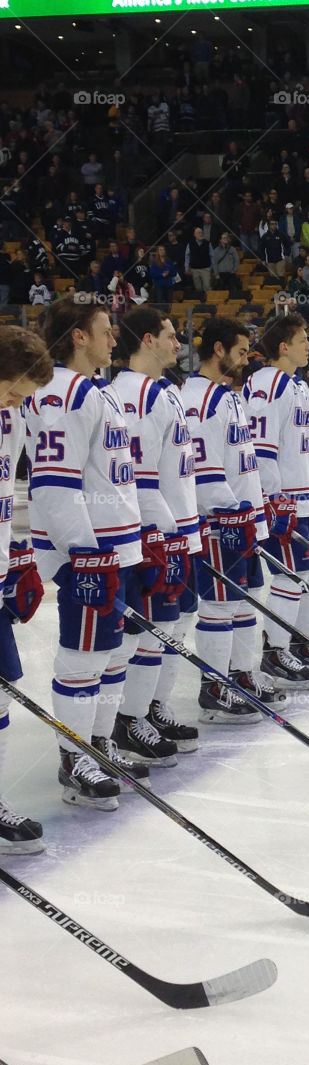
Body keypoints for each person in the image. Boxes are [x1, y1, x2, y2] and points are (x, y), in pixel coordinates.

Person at [25, 300, 144, 809]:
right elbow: (54, 483)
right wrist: (81, 555)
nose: (114, 340)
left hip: (119, 542)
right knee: (83, 654)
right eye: (105, 331)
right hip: (92, 548)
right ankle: (74, 757)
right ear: (77, 336)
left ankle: (98, 743)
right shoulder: (59, 392)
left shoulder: (96, 391)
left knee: (114, 653)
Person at [111, 306, 200, 762]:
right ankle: (129, 719)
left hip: (176, 526)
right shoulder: (139, 395)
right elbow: (140, 478)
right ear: (147, 339)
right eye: (170, 335)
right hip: (158, 532)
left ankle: (147, 708)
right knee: (148, 630)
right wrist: (163, 535)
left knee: (171, 624)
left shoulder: (160, 392)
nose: (177, 344)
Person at [181, 316, 273, 723]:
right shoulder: (200, 399)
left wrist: (258, 507)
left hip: (243, 518)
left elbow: (242, 462)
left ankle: (239, 676)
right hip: (221, 523)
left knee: (243, 601)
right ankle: (214, 687)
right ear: (218, 350)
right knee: (219, 606)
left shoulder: (228, 395)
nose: (245, 359)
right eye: (239, 351)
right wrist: (231, 511)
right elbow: (202, 469)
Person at [243, 313, 309, 687]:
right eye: (303, 339)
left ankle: (297, 640)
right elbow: (261, 449)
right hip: (285, 501)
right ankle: (274, 651)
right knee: (290, 577)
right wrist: (273, 497)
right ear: (283, 346)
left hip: (306, 496)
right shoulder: (266, 383)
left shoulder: (296, 385)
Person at [0, 326, 54, 849]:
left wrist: (17, 556)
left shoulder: (11, 416)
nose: (20, 402)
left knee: (1, 696)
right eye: (16, 389)